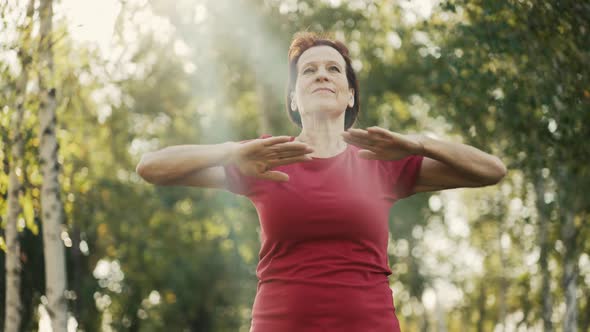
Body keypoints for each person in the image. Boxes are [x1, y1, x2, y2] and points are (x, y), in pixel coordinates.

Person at [136, 32, 506, 332]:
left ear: (349, 96)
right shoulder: (264, 158)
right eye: (308, 71)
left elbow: (491, 170)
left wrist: (419, 144)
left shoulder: (382, 160)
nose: (322, 75)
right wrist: (233, 151)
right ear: (293, 99)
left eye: (333, 69)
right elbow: (151, 167)